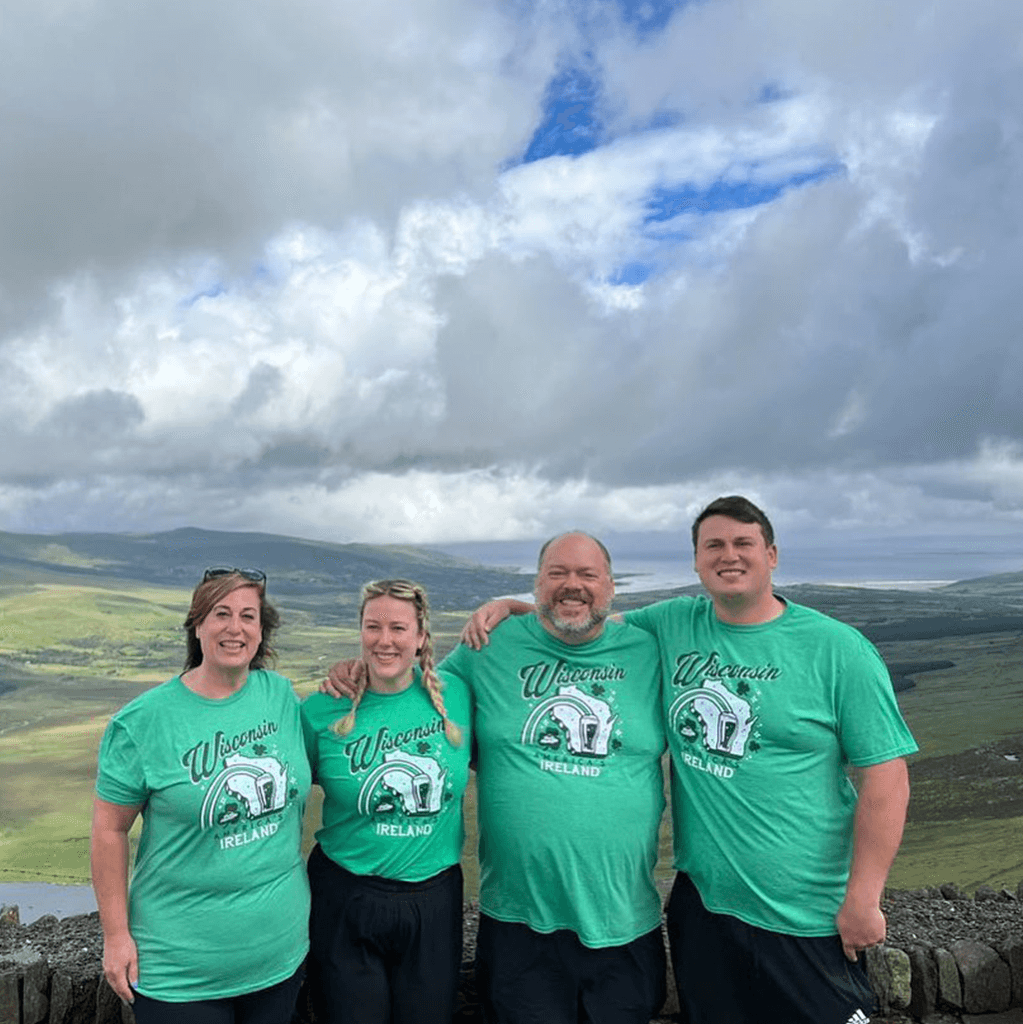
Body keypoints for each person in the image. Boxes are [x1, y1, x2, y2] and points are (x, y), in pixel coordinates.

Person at [463, 498, 918, 1024]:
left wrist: (864, 898)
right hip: (704, 911)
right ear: (697, 561)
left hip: (806, 913)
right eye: (714, 546)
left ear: (771, 555)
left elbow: (886, 778)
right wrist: (517, 608)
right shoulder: (674, 623)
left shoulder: (839, 650)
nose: (729, 556)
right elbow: (587, 618)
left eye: (743, 543)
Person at [328, 534, 668, 1024]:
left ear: (612, 587)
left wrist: (510, 604)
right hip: (517, 924)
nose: (571, 586)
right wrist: (357, 671)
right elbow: (410, 691)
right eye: (556, 574)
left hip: (625, 922)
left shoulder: (650, 648)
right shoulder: (489, 646)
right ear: (536, 585)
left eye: (587, 575)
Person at [90, 568, 311, 1024]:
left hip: (280, 956)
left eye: (248, 616)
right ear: (197, 625)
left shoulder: (282, 696)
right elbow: (108, 829)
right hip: (181, 971)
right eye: (221, 614)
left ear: (261, 629)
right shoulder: (144, 721)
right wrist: (115, 937)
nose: (235, 628)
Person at [301, 579, 471, 1024]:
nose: (384, 640)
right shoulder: (322, 709)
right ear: (359, 631)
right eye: (372, 627)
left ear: (420, 636)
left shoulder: (459, 695)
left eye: (398, 627)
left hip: (433, 898)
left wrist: (509, 604)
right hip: (346, 896)